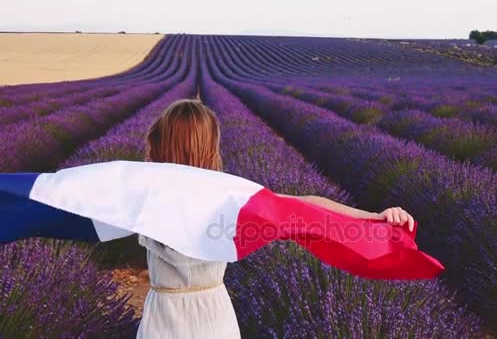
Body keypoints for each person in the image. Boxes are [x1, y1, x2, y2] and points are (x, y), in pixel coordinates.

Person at [135, 99, 415, 338]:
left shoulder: (140, 198)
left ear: (160, 143)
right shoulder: (229, 197)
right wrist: (373, 218)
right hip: (212, 316)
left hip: (162, 316)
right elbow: (305, 206)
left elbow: (94, 216)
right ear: (210, 148)